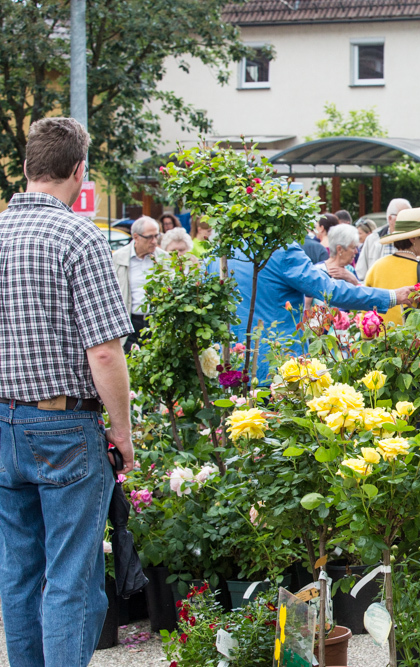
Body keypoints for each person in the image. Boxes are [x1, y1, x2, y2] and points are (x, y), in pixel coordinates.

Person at [0, 117, 134, 667]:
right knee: (71, 577)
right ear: (79, 170)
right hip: (63, 426)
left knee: (18, 573)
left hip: (3, 421)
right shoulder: (79, 237)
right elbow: (104, 352)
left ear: (26, 167)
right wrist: (122, 432)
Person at [220, 246, 412, 382]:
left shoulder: (224, 248)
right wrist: (391, 296)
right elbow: (330, 290)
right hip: (277, 367)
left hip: (230, 366)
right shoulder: (279, 249)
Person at [364, 207, 420, 325]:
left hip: (381, 336)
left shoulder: (376, 267)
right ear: (413, 238)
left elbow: (365, 316)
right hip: (414, 337)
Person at [113, 215, 167, 350]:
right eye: (149, 237)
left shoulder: (164, 258)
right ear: (136, 237)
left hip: (156, 322)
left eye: (157, 236)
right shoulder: (117, 259)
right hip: (129, 323)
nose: (154, 241)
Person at [356, 198, 411, 280]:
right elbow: (361, 273)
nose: (408, 220)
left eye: (410, 216)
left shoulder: (415, 239)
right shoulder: (373, 239)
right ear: (390, 218)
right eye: (403, 216)